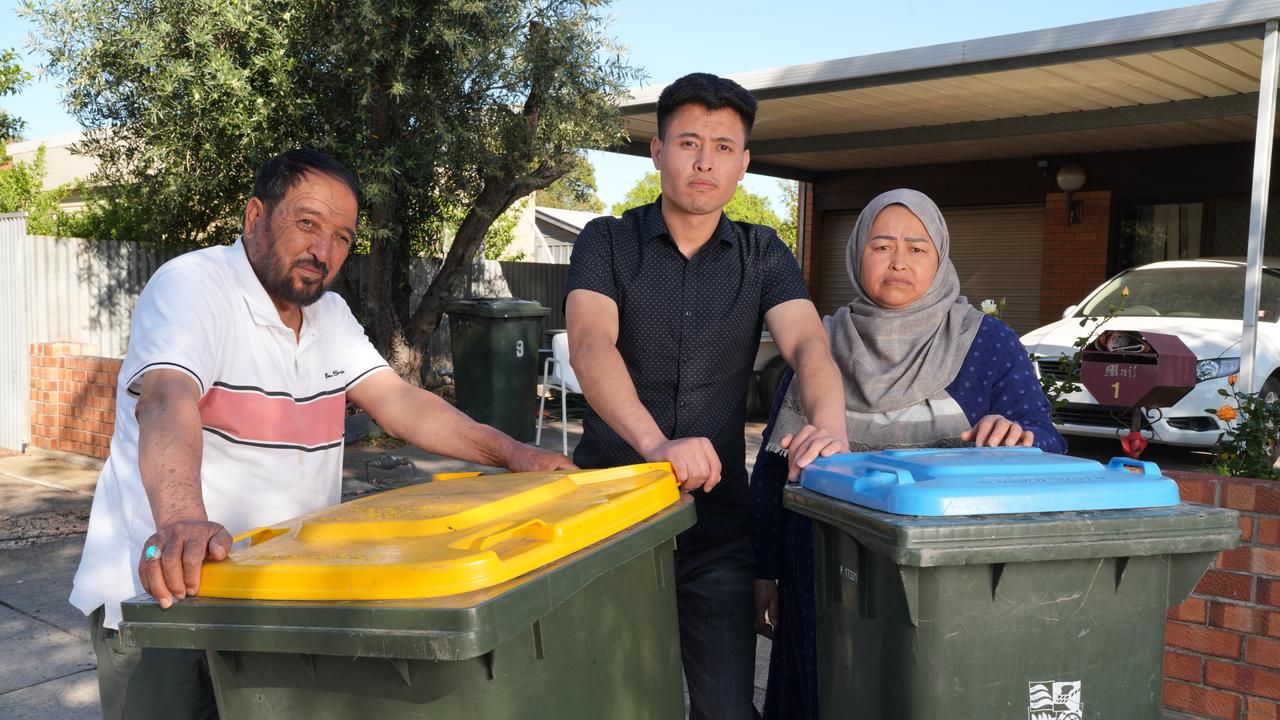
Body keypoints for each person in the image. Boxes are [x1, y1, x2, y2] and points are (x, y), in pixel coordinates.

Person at [70, 148, 575, 720]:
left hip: (276, 598)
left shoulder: (330, 316)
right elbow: (166, 397)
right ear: (255, 216)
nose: (323, 251)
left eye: (342, 236)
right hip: (167, 594)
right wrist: (182, 519)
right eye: (307, 223)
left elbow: (400, 402)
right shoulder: (193, 286)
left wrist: (512, 454)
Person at [565, 72, 848, 720]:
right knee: (615, 703)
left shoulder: (763, 253)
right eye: (689, 141)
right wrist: (655, 443)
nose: (705, 160)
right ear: (657, 151)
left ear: (744, 164)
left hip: (718, 528)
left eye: (723, 146)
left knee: (726, 709)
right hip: (608, 518)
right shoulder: (606, 242)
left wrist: (830, 429)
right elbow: (589, 343)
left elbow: (809, 346)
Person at [750, 188, 1068, 720]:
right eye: (882, 245)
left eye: (917, 248)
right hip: (822, 575)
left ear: (940, 258)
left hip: (945, 584)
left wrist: (1018, 433)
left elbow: (1048, 440)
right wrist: (764, 571)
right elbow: (773, 470)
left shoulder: (985, 343)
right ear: (857, 255)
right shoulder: (817, 343)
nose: (899, 260)